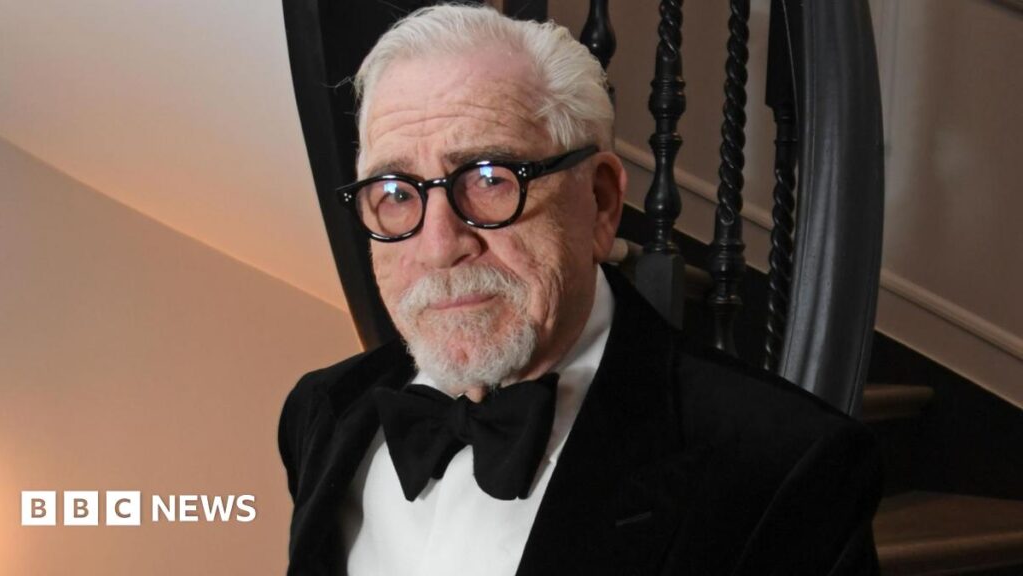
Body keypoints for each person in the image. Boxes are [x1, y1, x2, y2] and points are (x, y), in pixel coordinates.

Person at [279, 5, 882, 575]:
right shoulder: (324, 411)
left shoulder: (784, 467)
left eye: (490, 179)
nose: (439, 246)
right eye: (396, 193)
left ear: (600, 203)